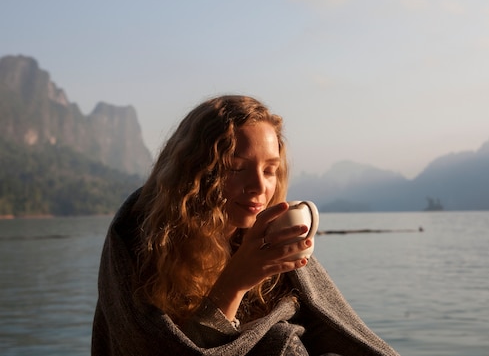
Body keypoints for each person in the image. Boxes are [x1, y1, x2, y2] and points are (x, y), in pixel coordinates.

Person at [92, 95, 399, 356]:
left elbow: (336, 331)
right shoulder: (138, 248)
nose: (259, 186)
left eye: (270, 170)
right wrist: (236, 282)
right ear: (195, 174)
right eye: (236, 168)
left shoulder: (271, 241)